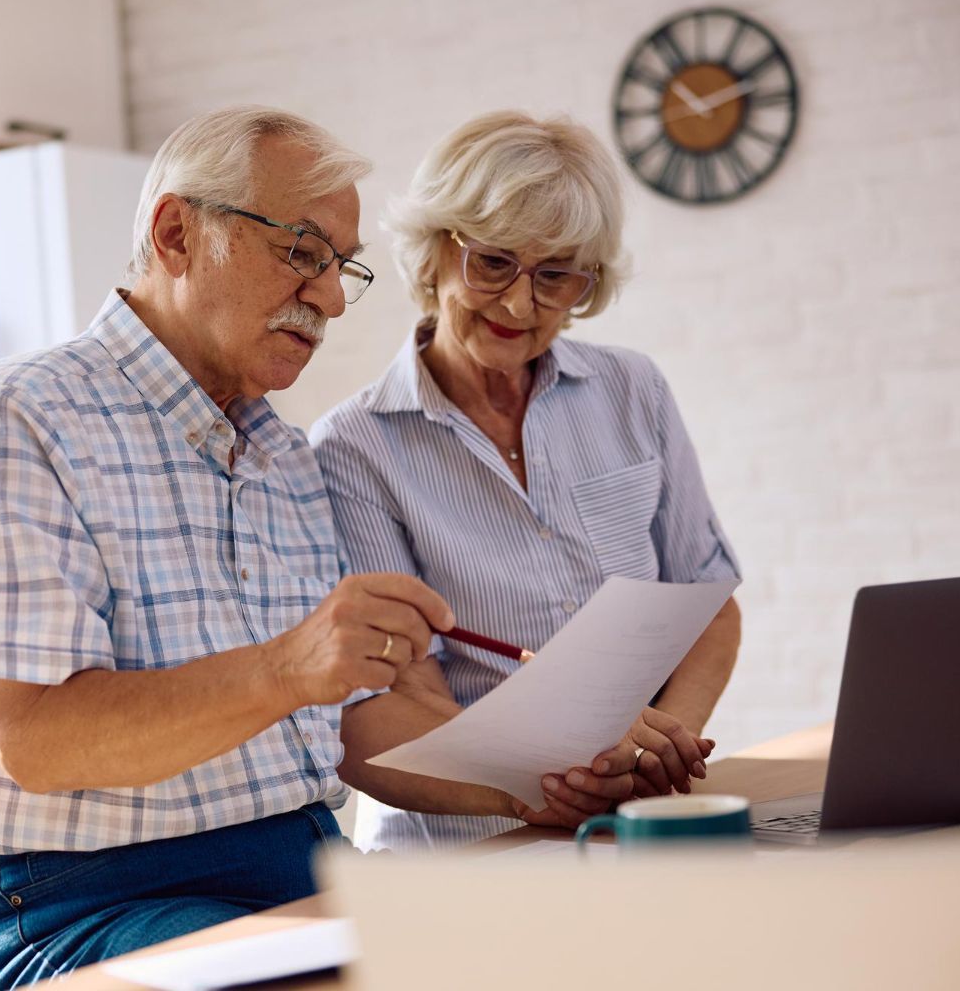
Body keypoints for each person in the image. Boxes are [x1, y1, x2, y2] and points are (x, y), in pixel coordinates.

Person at [0, 106, 578, 991]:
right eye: (302, 251)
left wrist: (549, 779)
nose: (331, 298)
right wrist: (290, 667)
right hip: (74, 901)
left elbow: (357, 728)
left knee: (563, 948)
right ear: (176, 235)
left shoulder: (285, 457)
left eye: (341, 266)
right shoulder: (21, 415)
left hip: (294, 872)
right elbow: (38, 739)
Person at [311, 111, 743, 851]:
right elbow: (400, 693)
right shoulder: (355, 448)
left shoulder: (633, 391)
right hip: (466, 845)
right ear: (436, 250)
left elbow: (708, 605)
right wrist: (553, 780)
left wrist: (654, 756)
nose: (519, 304)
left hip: (629, 821)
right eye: (493, 263)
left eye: (556, 276)